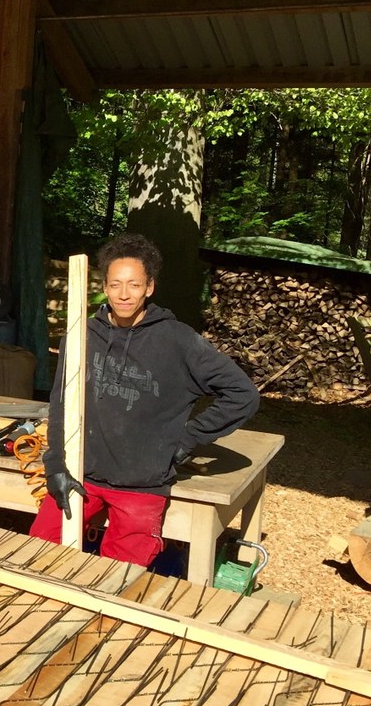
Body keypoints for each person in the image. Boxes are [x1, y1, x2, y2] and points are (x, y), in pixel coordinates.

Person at [29, 232, 259, 566]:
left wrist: (185, 441)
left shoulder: (177, 341)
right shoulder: (81, 336)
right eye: (115, 284)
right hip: (82, 473)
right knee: (39, 557)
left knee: (120, 579)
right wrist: (55, 465)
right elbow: (61, 403)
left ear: (149, 287)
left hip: (140, 485)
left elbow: (243, 395)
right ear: (104, 286)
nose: (124, 294)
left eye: (134, 285)